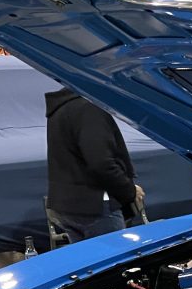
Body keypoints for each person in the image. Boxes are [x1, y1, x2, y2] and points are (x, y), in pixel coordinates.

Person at [45, 88, 144, 243]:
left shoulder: (61, 108)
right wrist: (129, 191)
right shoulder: (90, 109)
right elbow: (102, 164)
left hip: (67, 207)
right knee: (114, 262)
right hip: (96, 207)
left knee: (90, 263)